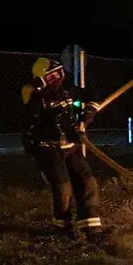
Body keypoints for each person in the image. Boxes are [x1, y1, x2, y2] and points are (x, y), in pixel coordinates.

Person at [21, 57, 104, 242]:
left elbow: (92, 95)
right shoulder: (34, 96)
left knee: (87, 181)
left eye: (58, 74)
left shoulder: (69, 91)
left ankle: (92, 229)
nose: (57, 79)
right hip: (47, 148)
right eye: (51, 77)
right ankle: (62, 227)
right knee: (63, 188)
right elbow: (38, 117)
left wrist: (87, 116)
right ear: (41, 80)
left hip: (70, 146)